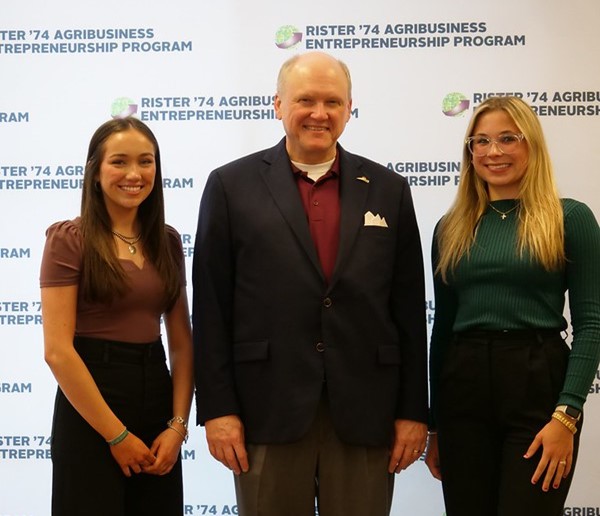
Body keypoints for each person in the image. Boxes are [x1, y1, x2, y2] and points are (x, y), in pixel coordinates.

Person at [192, 51, 428, 516]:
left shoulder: (388, 189)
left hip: (366, 412)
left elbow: (408, 311)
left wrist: (414, 412)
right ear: (277, 104)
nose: (319, 113)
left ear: (349, 108)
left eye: (333, 102)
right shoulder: (229, 186)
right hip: (265, 411)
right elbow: (212, 309)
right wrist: (217, 410)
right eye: (305, 100)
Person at [425, 96, 600, 516]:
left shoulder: (569, 218)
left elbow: (592, 324)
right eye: (480, 141)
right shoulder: (450, 228)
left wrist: (567, 414)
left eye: (508, 138)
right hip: (462, 390)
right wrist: (435, 426)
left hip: (537, 386)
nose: (493, 151)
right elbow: (443, 328)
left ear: (531, 145)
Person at [40, 117, 194, 515]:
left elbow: (180, 343)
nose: (134, 174)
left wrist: (177, 426)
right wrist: (116, 436)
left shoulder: (168, 241)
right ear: (95, 172)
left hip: (156, 396)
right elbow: (58, 352)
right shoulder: (68, 240)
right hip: (92, 404)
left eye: (146, 162)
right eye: (119, 162)